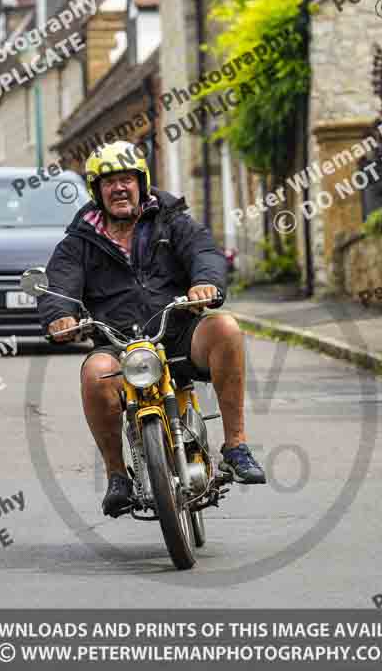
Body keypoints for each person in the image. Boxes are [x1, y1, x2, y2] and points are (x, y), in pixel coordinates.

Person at [38, 141, 266, 516]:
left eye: (127, 179)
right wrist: (59, 315)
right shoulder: (79, 242)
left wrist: (205, 282)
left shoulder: (172, 221)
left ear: (141, 183)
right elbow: (59, 284)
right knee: (95, 374)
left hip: (175, 333)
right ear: (97, 191)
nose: (119, 188)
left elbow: (204, 252)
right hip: (117, 343)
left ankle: (236, 446)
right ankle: (117, 475)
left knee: (225, 327)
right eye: (108, 181)